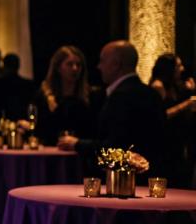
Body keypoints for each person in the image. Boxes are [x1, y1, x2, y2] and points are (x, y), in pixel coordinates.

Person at [59, 41, 166, 178]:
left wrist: (78, 144)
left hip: (124, 182)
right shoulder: (152, 94)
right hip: (152, 178)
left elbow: (116, 148)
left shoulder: (121, 97)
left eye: (102, 61)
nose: (99, 66)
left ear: (116, 64)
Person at [28, 46, 96, 145]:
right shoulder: (44, 96)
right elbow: (40, 129)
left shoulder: (89, 96)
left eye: (78, 65)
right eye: (69, 64)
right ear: (58, 68)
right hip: (51, 151)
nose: (75, 68)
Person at [147, 53, 196, 187]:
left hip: (177, 143)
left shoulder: (173, 86)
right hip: (165, 144)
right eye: (178, 65)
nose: (182, 69)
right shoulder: (158, 86)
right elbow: (161, 115)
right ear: (169, 68)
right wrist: (186, 104)